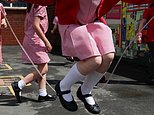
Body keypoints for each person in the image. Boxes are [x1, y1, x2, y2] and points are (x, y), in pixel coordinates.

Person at [6, 0, 154, 114]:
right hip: (72, 23)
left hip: (94, 22)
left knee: (108, 55)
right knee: (94, 59)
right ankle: (63, 87)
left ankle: (85, 91)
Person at [11, 3, 56, 103]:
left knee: (42, 66)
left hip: (30, 38)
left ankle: (42, 93)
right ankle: (19, 84)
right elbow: (36, 25)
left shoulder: (31, 6)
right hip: (36, 40)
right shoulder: (41, 6)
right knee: (44, 69)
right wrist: (46, 41)